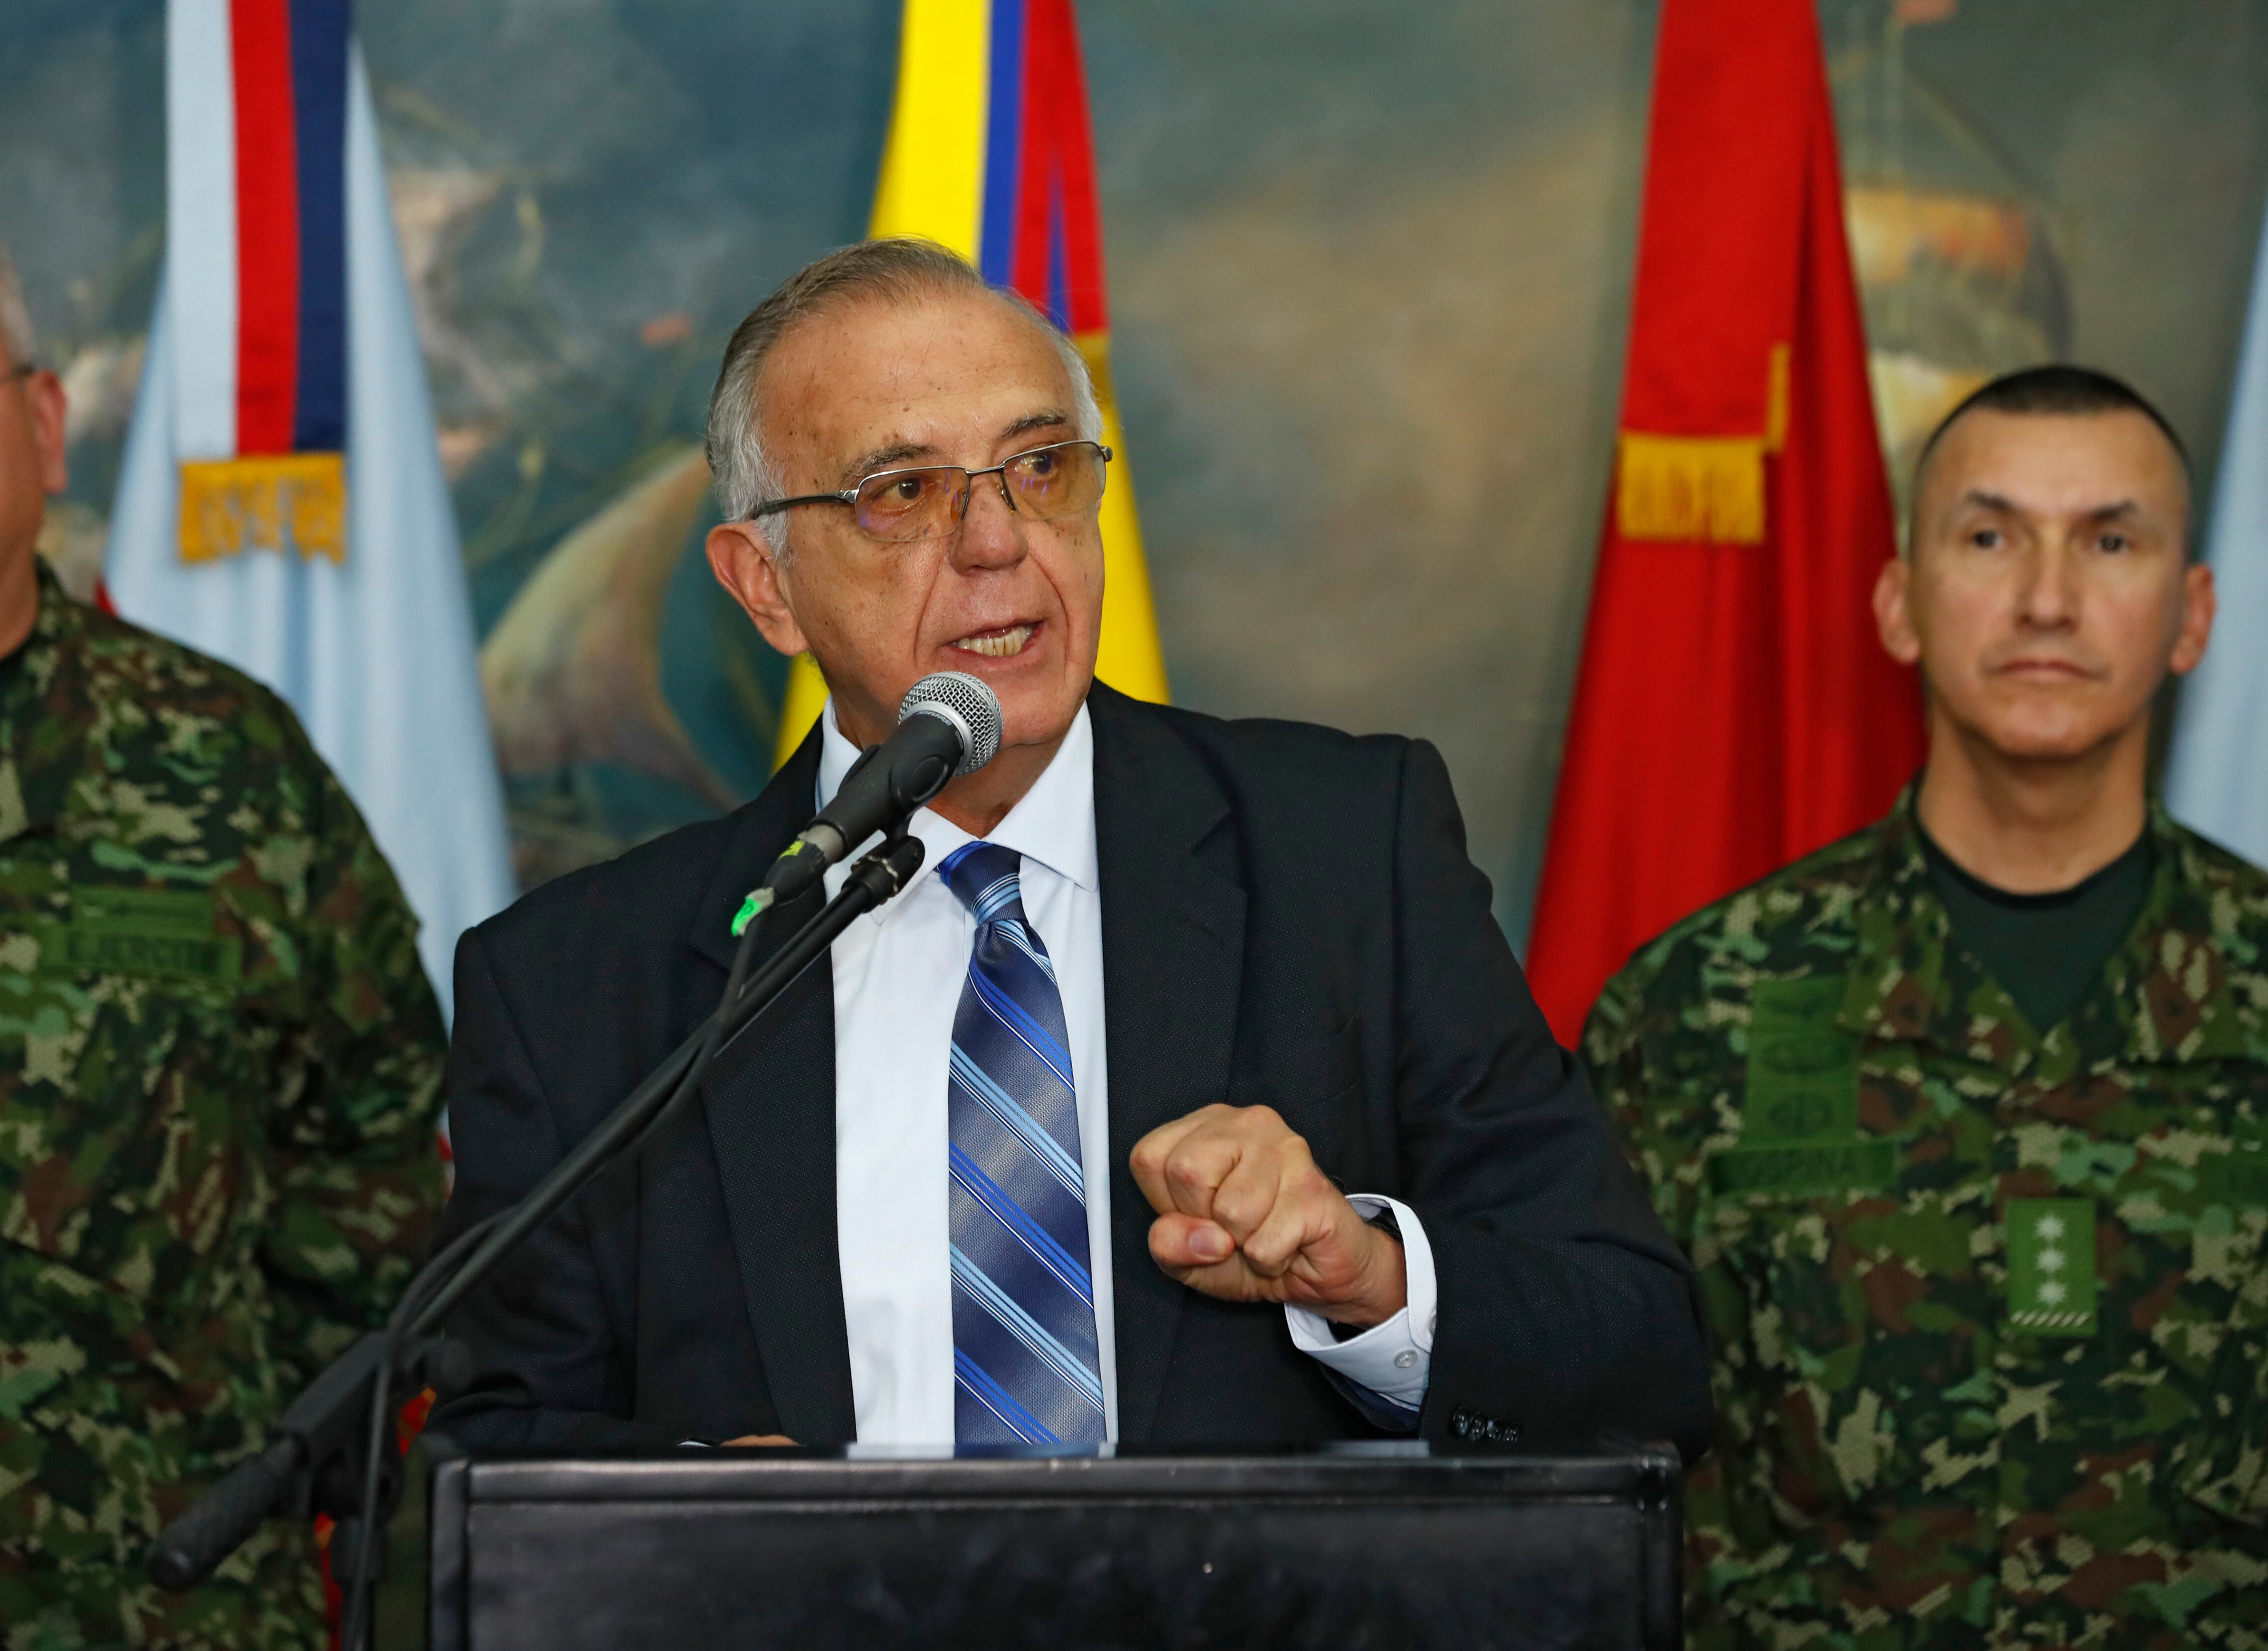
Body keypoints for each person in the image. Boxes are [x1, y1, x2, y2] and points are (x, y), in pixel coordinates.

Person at [435, 237, 1708, 1460]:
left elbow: (1637, 1352)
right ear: (764, 585)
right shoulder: (575, 984)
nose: (996, 542)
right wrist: (690, 1515)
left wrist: (1370, 1277)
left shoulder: (1344, 853)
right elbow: (485, 1461)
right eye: (902, 493)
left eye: (1040, 468)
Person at [0, 187, 446, 1649]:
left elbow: (380, 1174)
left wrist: (230, 1469)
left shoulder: (223, 767)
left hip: (152, 1610)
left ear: (40, 426)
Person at [1587, 365, 2268, 1648]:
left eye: (2109, 540)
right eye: (1991, 535)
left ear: (2193, 615)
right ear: (1901, 603)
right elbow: (1597, 1464)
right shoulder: (1694, 1012)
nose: (2049, 599)